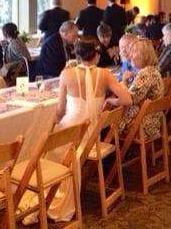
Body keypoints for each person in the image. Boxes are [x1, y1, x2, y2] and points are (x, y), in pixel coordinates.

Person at [43, 37, 132, 223]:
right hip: (92, 133)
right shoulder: (104, 74)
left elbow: (60, 110)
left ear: (77, 54)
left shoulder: (66, 74)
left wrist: (53, 127)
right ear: (96, 55)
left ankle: (50, 195)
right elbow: (127, 99)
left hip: (72, 127)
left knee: (47, 146)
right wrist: (109, 101)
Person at [117, 38, 164, 141]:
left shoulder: (145, 73)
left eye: (134, 52)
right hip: (152, 119)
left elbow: (130, 98)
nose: (130, 56)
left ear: (144, 55)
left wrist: (123, 83)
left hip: (142, 124)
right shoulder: (153, 69)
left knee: (107, 123)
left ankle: (115, 155)